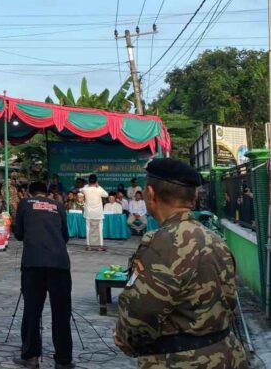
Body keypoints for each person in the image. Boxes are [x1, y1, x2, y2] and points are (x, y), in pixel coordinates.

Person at [114, 158, 248, 368]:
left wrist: (125, 338)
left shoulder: (161, 242)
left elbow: (140, 312)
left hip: (179, 360)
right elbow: (229, 301)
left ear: (150, 193)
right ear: (193, 198)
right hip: (227, 355)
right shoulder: (215, 239)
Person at [11, 181, 72, 369]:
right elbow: (65, 236)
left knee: (32, 310)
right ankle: (63, 360)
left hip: (34, 263)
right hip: (59, 264)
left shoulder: (24, 204)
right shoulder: (58, 205)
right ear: (47, 194)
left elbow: (19, 233)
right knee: (61, 312)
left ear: (30, 193)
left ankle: (31, 357)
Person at [80, 174, 108, 251]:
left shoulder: (85, 189)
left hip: (89, 213)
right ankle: (100, 247)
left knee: (88, 229)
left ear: (89, 182)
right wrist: (98, 186)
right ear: (96, 181)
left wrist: (87, 185)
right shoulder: (99, 189)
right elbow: (106, 195)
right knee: (99, 230)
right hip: (98, 214)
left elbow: (80, 190)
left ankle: (88, 246)